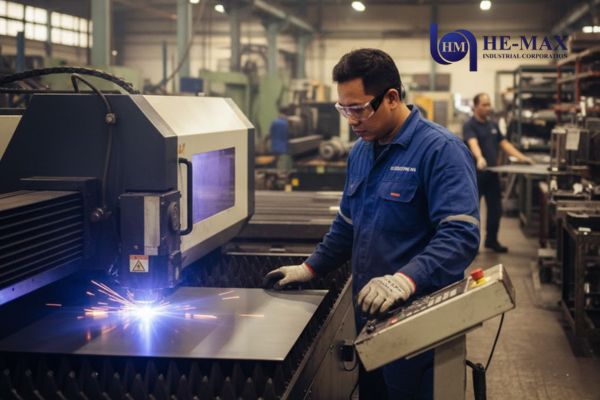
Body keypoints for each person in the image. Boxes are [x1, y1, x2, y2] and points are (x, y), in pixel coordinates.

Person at [263, 48, 480, 399]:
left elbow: (461, 235)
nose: (351, 119)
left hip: (419, 325)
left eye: (358, 108)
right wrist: (310, 268)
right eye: (343, 109)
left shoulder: (441, 151)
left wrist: (405, 280)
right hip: (370, 322)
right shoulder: (361, 152)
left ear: (391, 97)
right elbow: (347, 225)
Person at [463, 93, 534, 253]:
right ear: (476, 106)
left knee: (496, 209)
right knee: (473, 211)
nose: (488, 107)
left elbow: (504, 144)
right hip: (476, 175)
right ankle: (471, 245)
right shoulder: (470, 125)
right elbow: (473, 143)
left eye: (489, 104)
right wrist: (480, 158)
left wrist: (523, 158)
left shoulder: (493, 125)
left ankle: (491, 240)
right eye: (485, 104)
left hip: (493, 174)